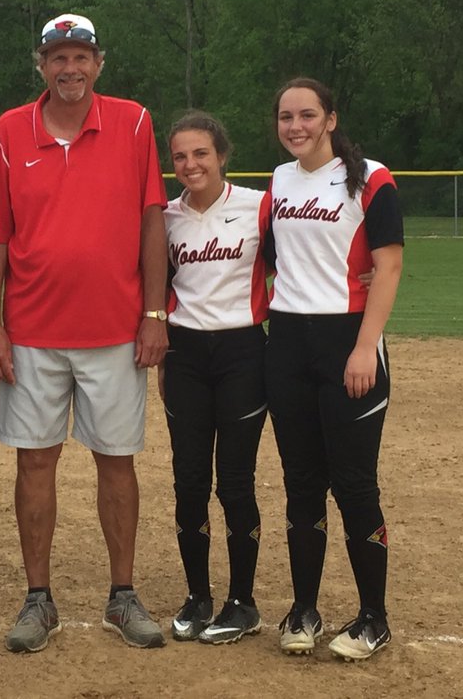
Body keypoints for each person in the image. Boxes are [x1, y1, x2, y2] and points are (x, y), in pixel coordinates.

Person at [0, 13, 169, 652]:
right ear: (41, 64)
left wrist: (154, 313)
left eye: (81, 56)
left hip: (114, 328)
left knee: (117, 461)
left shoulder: (134, 122)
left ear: (99, 63)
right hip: (31, 332)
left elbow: (151, 220)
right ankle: (38, 598)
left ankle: (122, 594)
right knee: (36, 462)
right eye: (58, 58)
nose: (70, 68)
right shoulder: (8, 131)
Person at [265, 77, 404, 661]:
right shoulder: (278, 180)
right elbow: (273, 256)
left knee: (353, 485)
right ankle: (304, 609)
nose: (295, 126)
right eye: (285, 116)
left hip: (347, 341)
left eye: (307, 115)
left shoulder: (369, 177)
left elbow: (389, 266)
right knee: (301, 486)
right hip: (288, 342)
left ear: (330, 118)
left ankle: (374, 616)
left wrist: (364, 346)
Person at [160, 111, 271, 646]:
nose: (190, 164)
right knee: (188, 481)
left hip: (243, 353)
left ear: (222, 155)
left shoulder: (258, 207)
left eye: (200, 153)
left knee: (235, 480)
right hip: (184, 355)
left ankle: (242, 601)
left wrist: (363, 268)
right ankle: (198, 595)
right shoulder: (166, 217)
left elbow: (308, 252)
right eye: (180, 156)